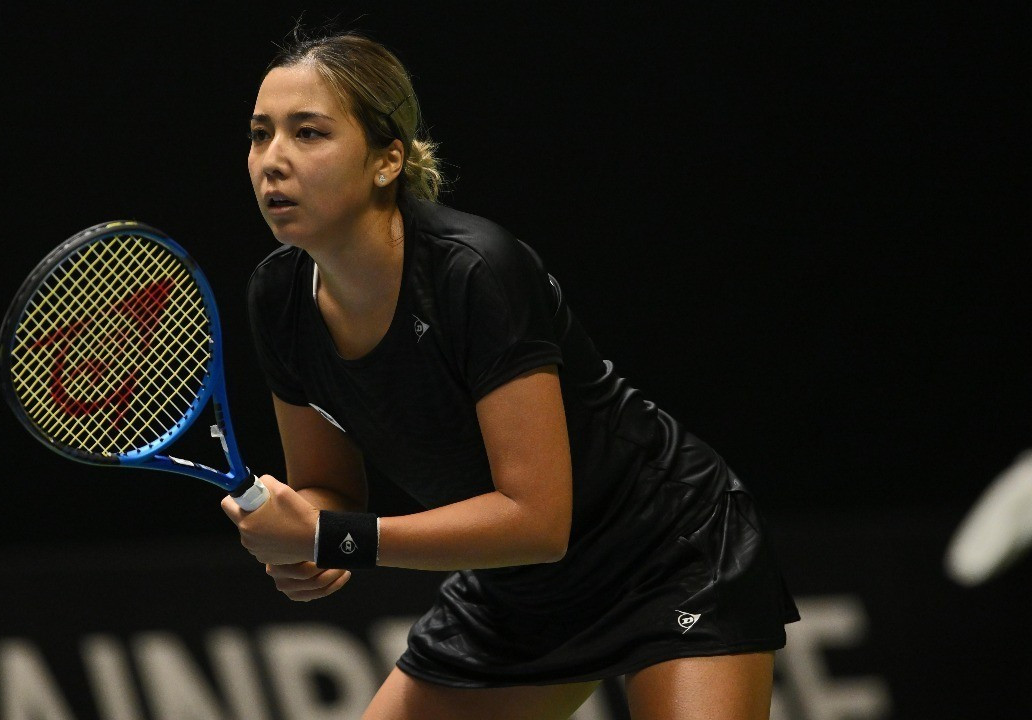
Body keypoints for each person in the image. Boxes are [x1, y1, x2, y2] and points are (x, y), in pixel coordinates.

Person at [221, 28, 800, 720]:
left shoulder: (475, 272)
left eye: (309, 133)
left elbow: (536, 520)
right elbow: (331, 487)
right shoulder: (278, 299)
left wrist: (335, 538)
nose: (273, 160)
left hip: (664, 555)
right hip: (513, 595)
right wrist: (301, 530)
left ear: (387, 160)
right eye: (260, 135)